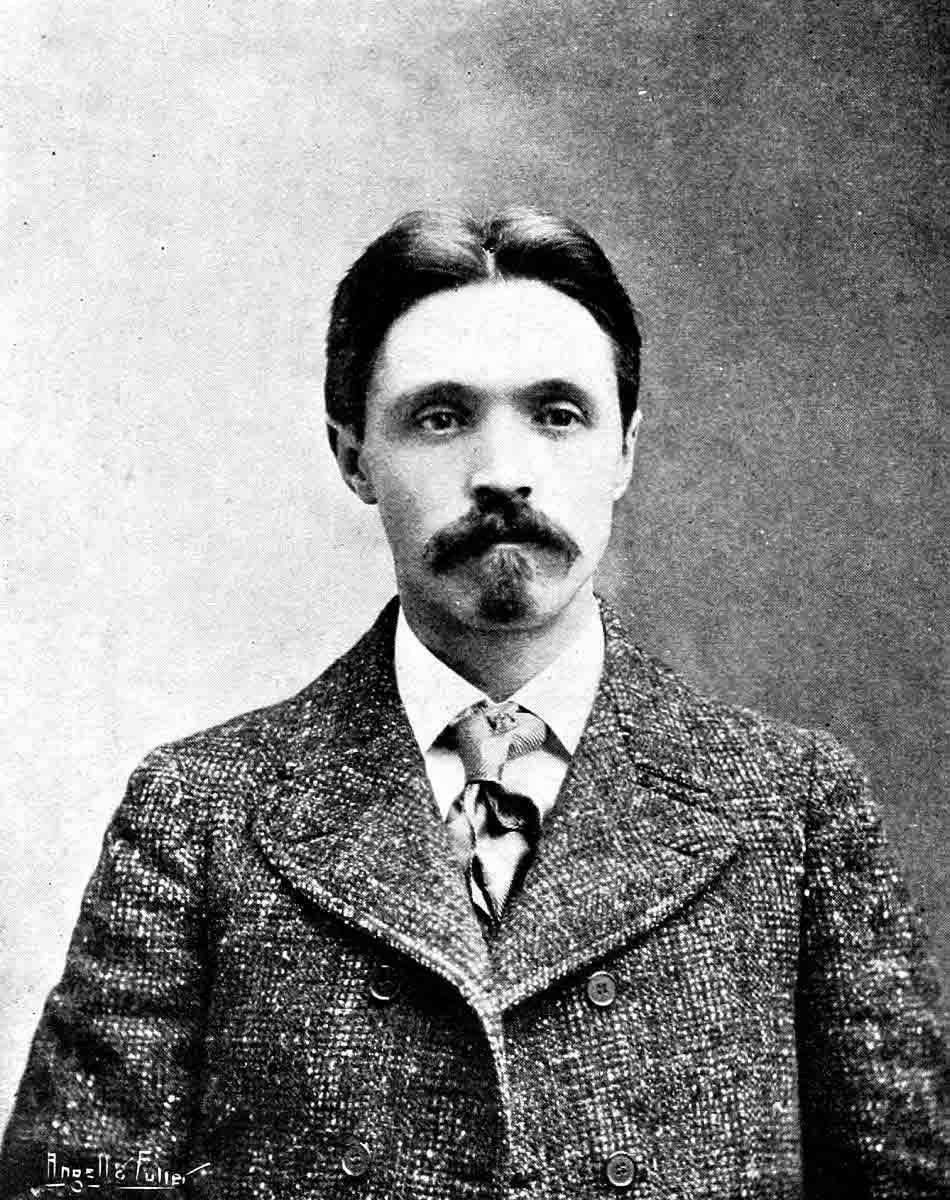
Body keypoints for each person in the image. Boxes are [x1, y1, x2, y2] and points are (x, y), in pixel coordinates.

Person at [2, 207, 948, 1199]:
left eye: (557, 415)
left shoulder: (790, 806)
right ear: (353, 457)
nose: (502, 474)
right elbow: (76, 1177)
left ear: (624, 451)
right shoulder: (199, 811)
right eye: (440, 418)